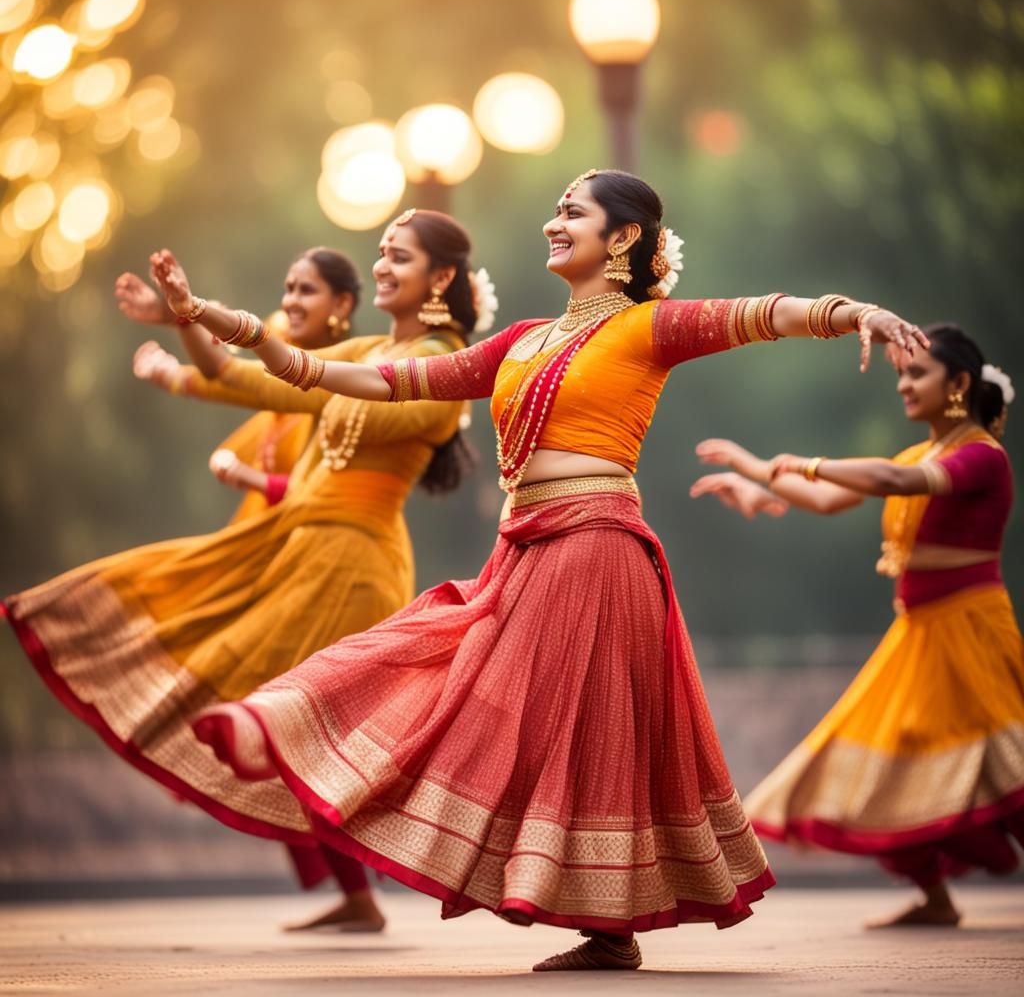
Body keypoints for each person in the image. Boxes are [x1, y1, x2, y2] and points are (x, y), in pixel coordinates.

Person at [184, 168, 926, 971]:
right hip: (525, 551)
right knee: (457, 678)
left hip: (598, 545)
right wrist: (262, 344)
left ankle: (611, 929)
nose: (552, 223)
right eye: (555, 209)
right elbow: (390, 380)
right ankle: (296, 728)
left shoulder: (649, 328)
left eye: (572, 212)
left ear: (625, 238)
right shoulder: (521, 339)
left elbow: (757, 315)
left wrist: (851, 313)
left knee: (585, 730)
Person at [3, 211, 488, 932]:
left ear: (440, 278)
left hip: (356, 564)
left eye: (400, 257)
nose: (382, 265)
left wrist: (210, 326)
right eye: (379, 253)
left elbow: (308, 375)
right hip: (299, 551)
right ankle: (362, 897)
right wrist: (188, 314)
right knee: (286, 716)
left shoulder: (446, 363)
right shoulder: (364, 347)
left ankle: (444, 859)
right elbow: (244, 376)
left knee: (306, 722)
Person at [690, 323, 1022, 928]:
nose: (903, 385)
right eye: (900, 373)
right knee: (891, 762)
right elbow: (823, 500)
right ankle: (934, 897)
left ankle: (937, 893)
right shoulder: (920, 454)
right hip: (918, 634)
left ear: (960, 383)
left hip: (971, 631)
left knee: (1008, 767)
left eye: (916, 373)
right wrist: (754, 476)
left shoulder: (981, 457)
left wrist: (805, 463)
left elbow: (890, 483)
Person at [118, 246, 356, 523]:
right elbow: (226, 374)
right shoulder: (280, 334)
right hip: (260, 528)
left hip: (312, 540)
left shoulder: (348, 381)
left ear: (341, 304)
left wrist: (250, 478)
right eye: (289, 289)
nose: (291, 301)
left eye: (307, 290)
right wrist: (179, 313)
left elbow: (325, 497)